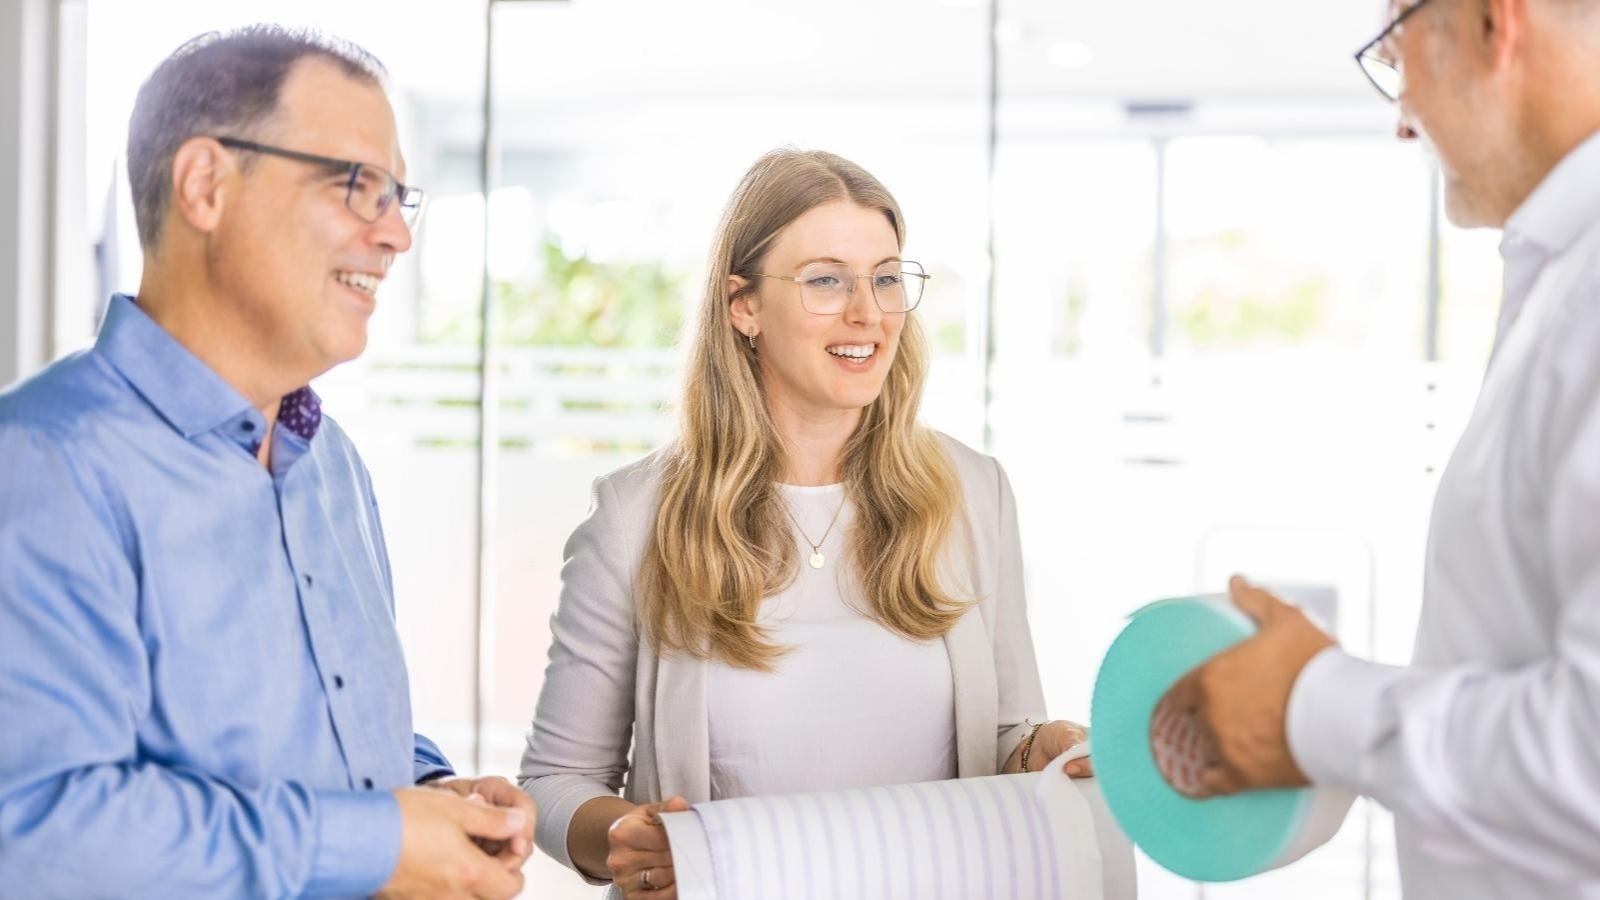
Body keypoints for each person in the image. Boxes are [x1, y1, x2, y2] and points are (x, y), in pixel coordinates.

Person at [0, 26, 533, 898]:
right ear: (205, 184)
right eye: (357, 184)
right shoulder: (40, 464)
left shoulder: (333, 466)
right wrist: (377, 841)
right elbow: (38, 834)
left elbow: (341, 734)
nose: (396, 232)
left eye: (400, 195)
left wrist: (433, 797)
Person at [519, 148, 1091, 900]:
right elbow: (557, 782)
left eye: (886, 278)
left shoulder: (972, 493)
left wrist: (1046, 749)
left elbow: (1007, 737)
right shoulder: (636, 517)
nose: (868, 312)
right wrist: (626, 838)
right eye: (826, 280)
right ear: (743, 305)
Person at [1159, 0, 1600, 897]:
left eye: (1396, 56)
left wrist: (1309, 705)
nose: (1402, 122)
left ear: (1491, 23)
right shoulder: (1561, 277)